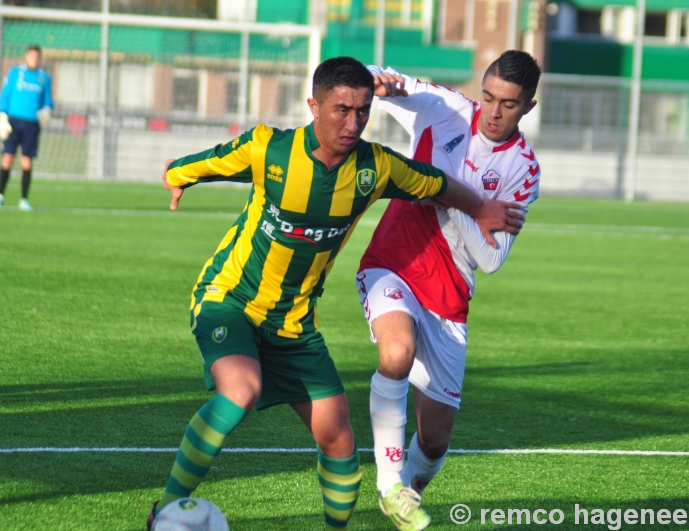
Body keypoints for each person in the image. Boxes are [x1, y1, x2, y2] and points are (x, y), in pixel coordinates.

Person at [147, 56, 524, 531]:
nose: (353, 123)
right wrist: (178, 175)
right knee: (241, 389)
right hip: (231, 298)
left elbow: (437, 184)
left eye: (363, 111)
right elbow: (207, 162)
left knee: (341, 443)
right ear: (313, 105)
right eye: (340, 110)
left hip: (295, 322)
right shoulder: (270, 149)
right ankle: (164, 509)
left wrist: (482, 207)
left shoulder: (375, 168)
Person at [355, 50, 542, 530]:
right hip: (394, 262)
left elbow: (491, 258)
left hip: (450, 295)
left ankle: (406, 496)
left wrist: (457, 198)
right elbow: (370, 77)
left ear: (529, 107)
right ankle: (389, 484)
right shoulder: (444, 108)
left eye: (509, 105)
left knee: (435, 439)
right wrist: (380, 79)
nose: (494, 113)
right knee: (396, 352)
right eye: (489, 97)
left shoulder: (524, 169)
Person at [0, 44, 53, 211]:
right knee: (7, 158)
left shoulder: (44, 78)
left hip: (32, 124)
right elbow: (6, 94)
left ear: (39, 58)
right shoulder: (15, 72)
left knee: (26, 161)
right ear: (26, 56)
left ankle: (24, 199)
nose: (33, 59)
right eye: (31, 55)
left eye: (36, 56)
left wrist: (46, 110)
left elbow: (47, 100)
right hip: (13, 121)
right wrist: (2, 114)